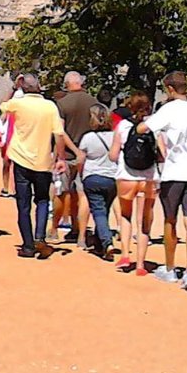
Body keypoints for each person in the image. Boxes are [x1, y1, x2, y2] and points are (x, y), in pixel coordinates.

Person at [0, 75, 76, 258]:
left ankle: (27, 245)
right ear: (39, 87)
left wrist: (12, 87)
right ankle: (40, 235)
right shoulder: (50, 106)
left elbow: (2, 105)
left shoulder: (19, 103)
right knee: (42, 200)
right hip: (43, 161)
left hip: (21, 159)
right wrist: (61, 158)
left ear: (23, 87)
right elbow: (58, 134)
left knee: (23, 204)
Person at [141, 71, 187, 290]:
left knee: (170, 220)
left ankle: (169, 269)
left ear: (169, 88)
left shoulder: (169, 109)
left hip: (174, 170)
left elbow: (144, 129)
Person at [111, 92, 159, 275]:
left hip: (126, 176)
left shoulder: (122, 126)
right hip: (148, 178)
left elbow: (113, 155)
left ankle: (125, 255)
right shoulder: (155, 127)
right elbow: (161, 154)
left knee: (125, 216)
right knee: (144, 222)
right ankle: (141, 265)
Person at [54, 71, 97, 244]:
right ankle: (78, 230)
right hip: (88, 155)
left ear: (66, 84)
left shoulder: (62, 104)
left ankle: (54, 228)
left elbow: (60, 131)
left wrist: (62, 154)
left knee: (61, 192)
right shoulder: (93, 102)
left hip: (68, 155)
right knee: (81, 194)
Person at [75, 102, 119, 259]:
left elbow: (80, 160)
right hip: (112, 178)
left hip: (92, 177)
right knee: (104, 211)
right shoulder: (115, 136)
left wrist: (81, 175)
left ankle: (107, 242)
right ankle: (100, 244)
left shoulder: (88, 138)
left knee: (98, 212)